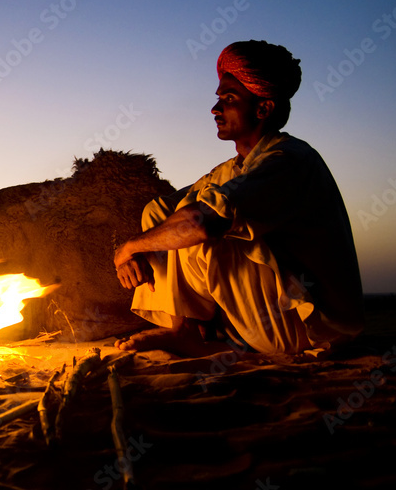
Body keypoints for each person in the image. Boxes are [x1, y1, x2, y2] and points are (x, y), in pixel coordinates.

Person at [112, 41, 362, 356]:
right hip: (262, 319)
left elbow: (201, 222)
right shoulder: (233, 169)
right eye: (218, 99)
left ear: (263, 108)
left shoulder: (290, 160)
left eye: (229, 99)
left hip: (304, 330)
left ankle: (185, 331)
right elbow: (163, 210)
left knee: (200, 227)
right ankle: (184, 327)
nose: (216, 110)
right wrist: (140, 247)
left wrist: (129, 248)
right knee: (161, 212)